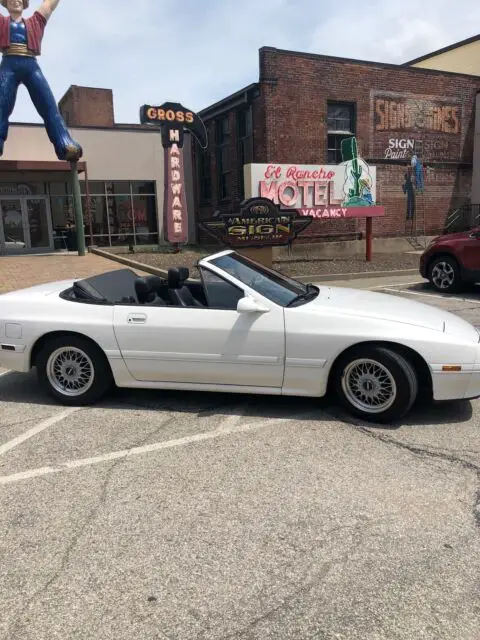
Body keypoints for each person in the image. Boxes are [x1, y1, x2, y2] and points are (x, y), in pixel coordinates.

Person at [0, 0, 82, 161]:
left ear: (24, 4)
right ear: (5, 4)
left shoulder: (34, 22)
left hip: (31, 65)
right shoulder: (2, 22)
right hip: (8, 64)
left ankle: (64, 143)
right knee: (1, 104)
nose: (16, 2)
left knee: (48, 105)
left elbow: (49, 5)